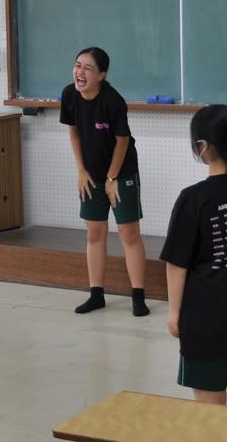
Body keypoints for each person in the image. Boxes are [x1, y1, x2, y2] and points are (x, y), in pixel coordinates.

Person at [161, 105, 227, 409]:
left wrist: (174, 313)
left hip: (207, 317)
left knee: (210, 408)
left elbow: (177, 263)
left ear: (203, 147)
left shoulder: (194, 198)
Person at [59, 47, 149, 316]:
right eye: (78, 65)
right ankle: (96, 294)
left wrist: (112, 178)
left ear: (101, 75)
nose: (80, 72)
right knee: (94, 232)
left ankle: (138, 296)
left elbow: (122, 140)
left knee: (128, 233)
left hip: (121, 172)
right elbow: (74, 132)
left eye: (88, 68)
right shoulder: (69, 95)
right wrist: (81, 170)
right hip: (91, 174)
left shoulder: (113, 101)